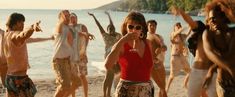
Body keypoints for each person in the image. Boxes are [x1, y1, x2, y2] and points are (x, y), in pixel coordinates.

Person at [171, 5, 218, 97]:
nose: (213, 20)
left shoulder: (222, 34)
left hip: (212, 73)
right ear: (207, 19)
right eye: (211, 18)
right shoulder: (202, 29)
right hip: (197, 71)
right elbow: (190, 21)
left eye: (216, 17)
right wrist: (181, 11)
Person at [105, 11, 154, 97]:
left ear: (142, 29)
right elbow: (107, 65)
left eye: (138, 27)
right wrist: (123, 40)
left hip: (146, 90)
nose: (134, 30)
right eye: (130, 26)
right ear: (125, 27)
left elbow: (147, 68)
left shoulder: (148, 43)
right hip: (126, 91)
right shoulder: (121, 45)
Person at [3, 12, 47, 97]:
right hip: (19, 80)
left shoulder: (6, 35)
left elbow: (24, 34)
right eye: (21, 22)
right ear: (14, 24)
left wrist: (32, 27)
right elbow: (22, 35)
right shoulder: (14, 35)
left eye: (23, 22)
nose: (23, 25)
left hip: (10, 78)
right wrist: (32, 28)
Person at [201, 1, 235, 96]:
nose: (212, 21)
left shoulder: (232, 33)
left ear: (224, 17)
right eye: (210, 19)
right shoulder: (208, 35)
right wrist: (231, 69)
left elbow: (228, 57)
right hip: (224, 83)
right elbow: (211, 54)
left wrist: (212, 69)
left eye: (214, 18)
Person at [88, 11, 122, 97]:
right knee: (108, 76)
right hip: (109, 58)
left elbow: (111, 24)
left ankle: (108, 94)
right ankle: (105, 94)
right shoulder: (105, 36)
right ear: (107, 30)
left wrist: (109, 15)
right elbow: (99, 26)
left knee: (111, 76)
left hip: (116, 58)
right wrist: (93, 16)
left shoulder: (118, 35)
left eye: (113, 28)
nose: (111, 29)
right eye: (109, 29)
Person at [52, 10, 79, 97]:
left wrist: (86, 33)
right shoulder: (59, 26)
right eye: (65, 16)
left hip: (68, 60)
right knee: (65, 85)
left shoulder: (68, 27)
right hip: (59, 60)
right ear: (60, 18)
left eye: (68, 16)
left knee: (77, 82)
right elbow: (59, 28)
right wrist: (62, 18)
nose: (68, 18)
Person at [69, 12, 94, 97]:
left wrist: (84, 52)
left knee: (83, 76)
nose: (73, 19)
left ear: (77, 18)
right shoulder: (68, 28)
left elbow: (87, 38)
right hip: (71, 57)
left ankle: (86, 96)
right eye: (71, 18)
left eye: (74, 17)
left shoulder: (82, 26)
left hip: (82, 56)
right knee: (73, 78)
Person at [166, 22, 191, 92]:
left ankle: (185, 84)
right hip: (175, 57)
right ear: (174, 28)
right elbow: (176, 34)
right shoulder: (173, 34)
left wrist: (191, 26)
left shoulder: (182, 36)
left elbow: (188, 33)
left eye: (179, 26)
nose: (178, 27)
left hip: (182, 57)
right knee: (172, 76)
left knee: (190, 72)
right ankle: (167, 88)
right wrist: (185, 26)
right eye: (177, 26)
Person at [146, 20, 168, 97]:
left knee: (163, 87)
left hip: (159, 63)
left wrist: (161, 49)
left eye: (154, 26)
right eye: (150, 25)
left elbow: (165, 47)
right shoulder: (144, 37)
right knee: (162, 87)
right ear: (147, 27)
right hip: (149, 65)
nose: (152, 27)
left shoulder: (159, 37)